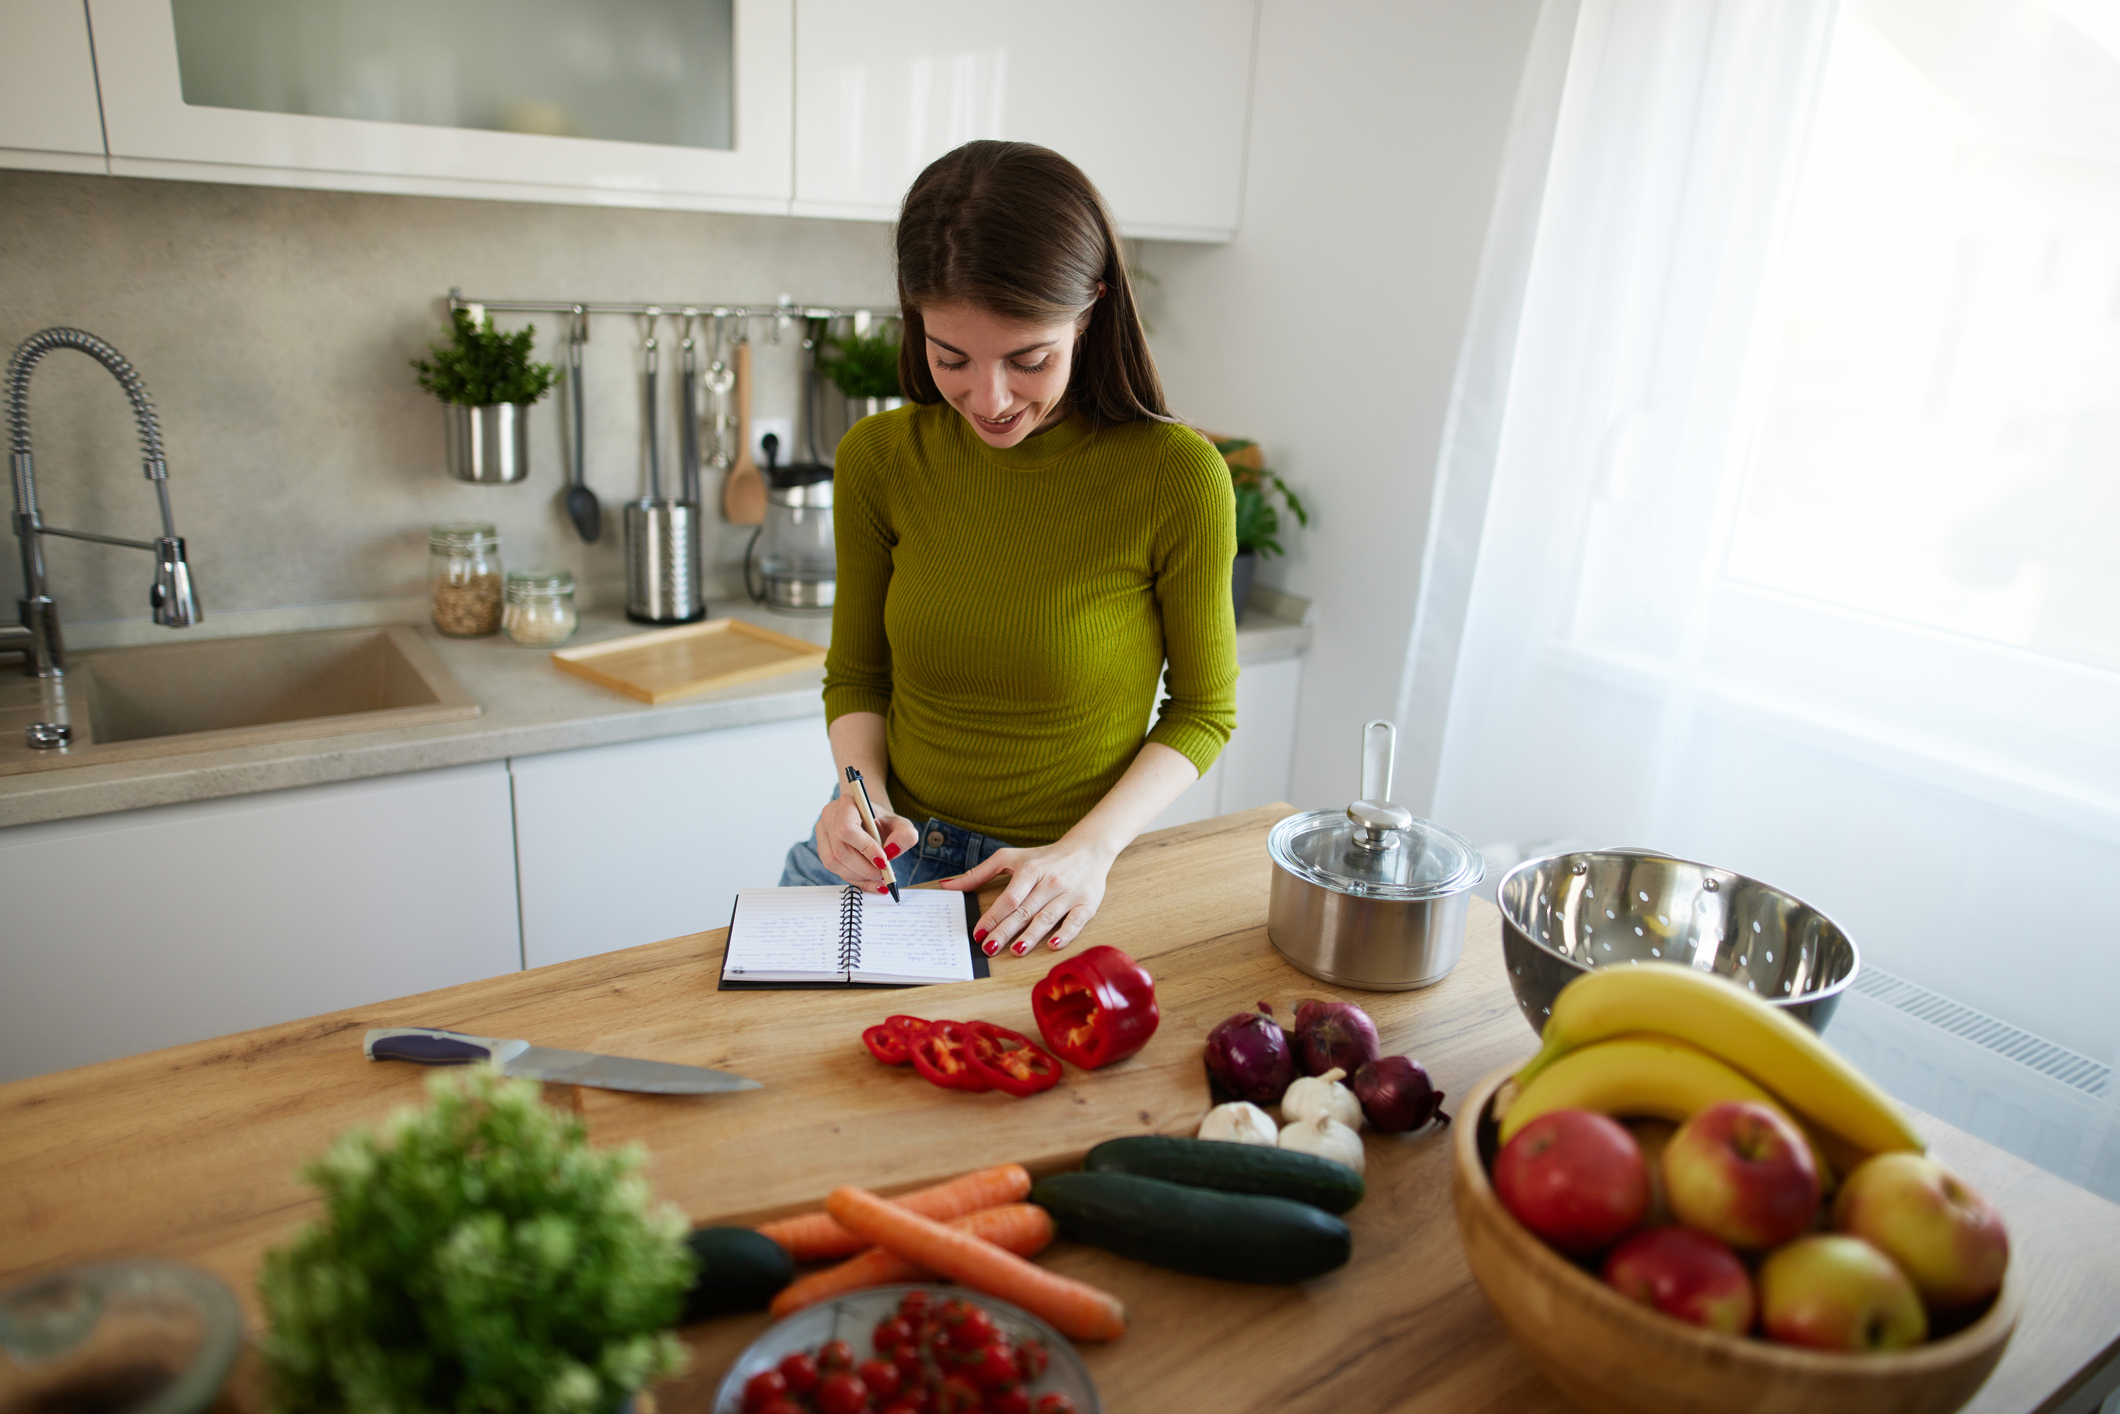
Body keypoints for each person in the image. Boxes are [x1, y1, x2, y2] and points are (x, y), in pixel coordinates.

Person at [778, 139, 1238, 961]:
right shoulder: (879, 458)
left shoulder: (1178, 477)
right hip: (885, 869)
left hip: (1051, 882)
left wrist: (1089, 852)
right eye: (950, 357)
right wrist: (858, 796)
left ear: (1090, 311)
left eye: (1029, 359)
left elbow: (1204, 711)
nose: (987, 400)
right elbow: (857, 673)